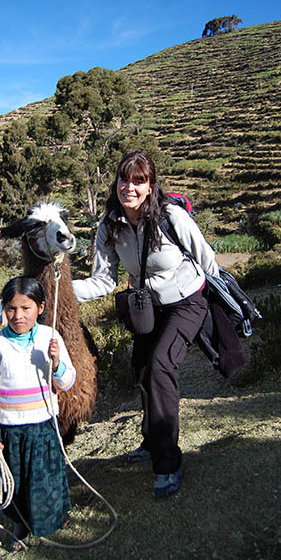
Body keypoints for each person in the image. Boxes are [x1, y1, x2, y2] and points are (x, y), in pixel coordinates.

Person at [72, 150, 219, 498]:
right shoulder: (109, 225)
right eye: (125, 179)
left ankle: (167, 465)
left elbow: (207, 260)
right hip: (149, 307)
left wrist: (221, 307)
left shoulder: (171, 216)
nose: (130, 187)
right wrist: (57, 288)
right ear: (116, 184)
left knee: (159, 368)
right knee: (140, 369)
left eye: (139, 181)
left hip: (187, 301)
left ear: (151, 186)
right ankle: (151, 441)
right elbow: (102, 282)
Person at [0, 276, 76, 546]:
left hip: (43, 425)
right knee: (17, 482)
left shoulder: (49, 337)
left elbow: (66, 383)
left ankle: (54, 517)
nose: (18, 316)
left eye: (26, 308)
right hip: (9, 429)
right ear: (4, 309)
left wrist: (56, 363)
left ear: (41, 308)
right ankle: (21, 524)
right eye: (11, 309)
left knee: (46, 478)